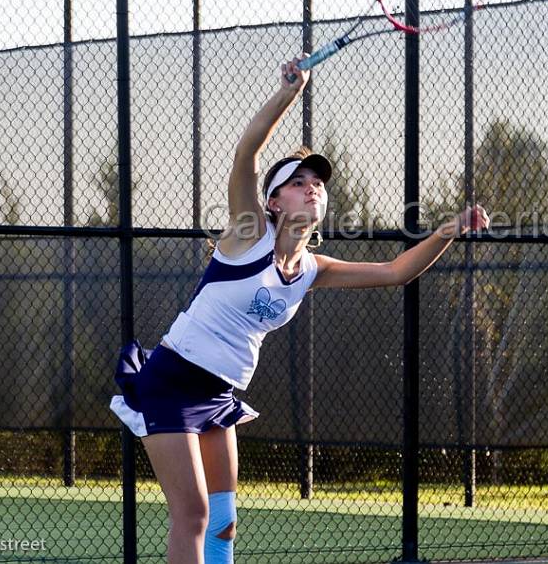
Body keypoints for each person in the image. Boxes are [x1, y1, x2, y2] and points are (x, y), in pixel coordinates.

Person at [109, 57, 489, 564]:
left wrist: (450, 229)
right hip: (171, 382)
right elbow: (246, 154)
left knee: (223, 521)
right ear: (272, 202)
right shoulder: (249, 234)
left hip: (218, 390)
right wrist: (289, 92)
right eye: (297, 181)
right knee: (194, 514)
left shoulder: (312, 268)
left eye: (319, 183)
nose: (312, 186)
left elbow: (397, 271)